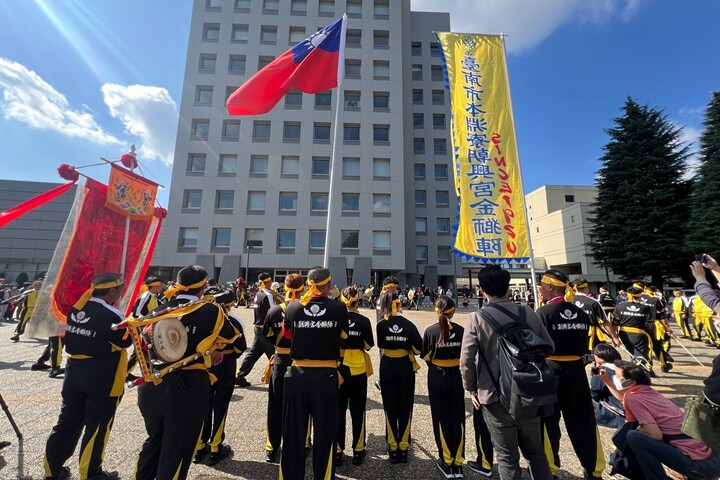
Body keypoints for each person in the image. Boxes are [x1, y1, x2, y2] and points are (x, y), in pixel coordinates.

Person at [135, 265, 237, 480]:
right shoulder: (211, 310)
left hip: (152, 384)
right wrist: (215, 348)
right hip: (187, 386)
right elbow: (230, 335)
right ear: (203, 286)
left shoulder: (157, 311)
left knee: (154, 442)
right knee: (177, 450)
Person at [460, 265, 553, 480]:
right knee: (536, 453)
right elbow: (549, 347)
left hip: (494, 394)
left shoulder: (477, 318)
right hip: (529, 392)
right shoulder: (527, 312)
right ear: (508, 287)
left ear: (481, 289)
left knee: (507, 458)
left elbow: (466, 361)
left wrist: (471, 388)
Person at [44, 273, 130, 480]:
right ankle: (90, 474)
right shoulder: (112, 315)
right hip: (101, 374)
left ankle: (52, 471)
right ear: (111, 291)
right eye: (120, 289)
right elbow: (124, 342)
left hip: (74, 371)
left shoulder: (77, 308)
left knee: (66, 423)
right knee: (98, 424)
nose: (121, 292)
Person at [279, 266, 349, 480]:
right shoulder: (339, 308)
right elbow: (343, 337)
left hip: (298, 374)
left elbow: (287, 334)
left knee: (293, 433)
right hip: (326, 376)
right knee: (325, 433)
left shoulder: (292, 307)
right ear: (328, 285)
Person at [597, 360, 720, 480]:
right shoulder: (648, 392)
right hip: (713, 460)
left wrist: (640, 428)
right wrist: (606, 380)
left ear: (630, 382)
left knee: (633, 436)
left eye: (618, 376)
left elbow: (655, 434)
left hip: (699, 467)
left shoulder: (633, 398)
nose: (616, 378)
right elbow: (625, 398)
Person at [536, 270, 605, 480]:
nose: (539, 288)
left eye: (541, 285)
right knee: (583, 421)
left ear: (549, 287)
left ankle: (550, 469)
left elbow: (538, 347)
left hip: (551, 371)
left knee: (548, 422)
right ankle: (594, 469)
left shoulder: (544, 313)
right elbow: (585, 347)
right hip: (576, 372)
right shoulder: (581, 313)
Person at [194, 288, 247, 466]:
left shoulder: (201, 319)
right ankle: (216, 447)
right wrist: (226, 352)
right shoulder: (233, 321)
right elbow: (241, 347)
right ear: (230, 304)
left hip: (205, 366)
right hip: (226, 366)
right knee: (221, 404)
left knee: (203, 404)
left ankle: (200, 446)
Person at [261, 273, 305, 463]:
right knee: (302, 406)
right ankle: (303, 442)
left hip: (280, 361)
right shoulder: (306, 310)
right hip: (301, 362)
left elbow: (266, 335)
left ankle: (272, 446)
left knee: (275, 404)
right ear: (302, 288)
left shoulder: (273, 311)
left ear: (284, 288)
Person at [422, 295, 467, 479]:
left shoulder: (430, 331)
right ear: (453, 311)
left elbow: (425, 356)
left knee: (440, 418)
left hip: (437, 375)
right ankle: (458, 463)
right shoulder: (462, 331)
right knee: (458, 418)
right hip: (457, 375)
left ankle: (446, 461)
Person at [376, 290, 422, 464]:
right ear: (399, 304)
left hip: (387, 364)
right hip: (405, 366)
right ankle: (403, 447)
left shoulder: (381, 324)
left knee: (389, 405)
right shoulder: (409, 324)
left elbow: (381, 344)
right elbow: (419, 348)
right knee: (405, 404)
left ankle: (392, 447)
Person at [336, 286, 374, 466]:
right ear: (358, 300)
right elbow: (367, 346)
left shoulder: (336, 319)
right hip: (358, 368)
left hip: (339, 368)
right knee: (358, 410)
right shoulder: (364, 321)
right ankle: (358, 450)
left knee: (338, 411)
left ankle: (337, 451)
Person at [235, 272, 279, 387]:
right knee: (275, 355)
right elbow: (273, 312)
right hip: (265, 330)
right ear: (268, 282)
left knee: (253, 354)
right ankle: (279, 379)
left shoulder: (258, 293)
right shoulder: (268, 295)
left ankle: (240, 375)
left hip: (258, 328)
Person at [614, 286, 655, 374]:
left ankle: (645, 370)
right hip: (638, 334)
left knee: (633, 353)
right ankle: (639, 374)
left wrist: (615, 336)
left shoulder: (619, 306)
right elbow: (651, 321)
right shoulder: (645, 307)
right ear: (640, 296)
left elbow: (615, 322)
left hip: (623, 333)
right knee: (640, 355)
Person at [572, 277, 621, 349]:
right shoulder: (593, 302)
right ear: (586, 287)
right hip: (591, 336)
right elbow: (605, 322)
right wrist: (614, 337)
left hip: (573, 334)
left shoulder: (568, 301)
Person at [588, 343, 624, 428]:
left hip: (616, 409)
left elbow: (594, 393)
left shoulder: (599, 370)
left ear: (600, 358)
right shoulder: (624, 366)